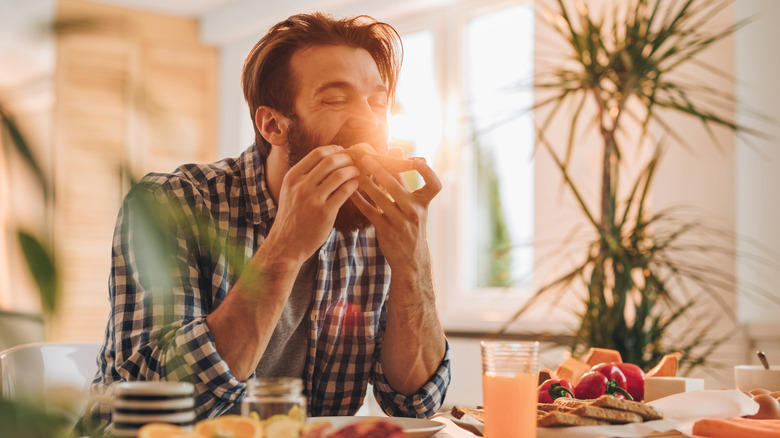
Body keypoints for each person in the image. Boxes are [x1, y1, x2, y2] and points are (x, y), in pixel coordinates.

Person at [86, 11, 450, 430]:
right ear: (273, 124)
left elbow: (416, 402)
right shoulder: (170, 204)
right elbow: (145, 409)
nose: (368, 120)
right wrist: (286, 246)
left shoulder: (375, 223)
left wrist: (413, 262)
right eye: (335, 98)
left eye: (378, 102)